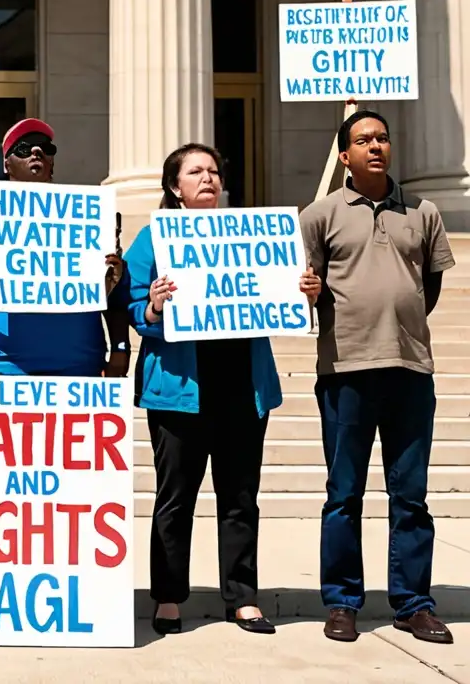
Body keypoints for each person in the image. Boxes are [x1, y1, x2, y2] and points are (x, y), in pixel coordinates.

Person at [125, 143, 321, 636]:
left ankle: (242, 597)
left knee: (239, 497)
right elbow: (132, 311)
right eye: (195, 172)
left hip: (242, 386)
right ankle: (168, 596)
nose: (207, 179)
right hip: (179, 388)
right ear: (175, 187)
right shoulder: (152, 240)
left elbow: (282, 296)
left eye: (214, 170)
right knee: (176, 498)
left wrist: (301, 291)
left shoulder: (253, 238)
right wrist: (153, 307)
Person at [300, 110, 456, 645]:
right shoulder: (319, 215)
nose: (375, 146)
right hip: (345, 370)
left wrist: (398, 322)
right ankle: (342, 602)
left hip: (411, 370)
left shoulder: (424, 211)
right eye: (363, 140)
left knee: (410, 496)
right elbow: (306, 290)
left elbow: (428, 287)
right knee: (344, 494)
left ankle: (413, 603)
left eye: (383, 138)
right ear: (344, 155)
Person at [0, 118, 130, 377]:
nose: (36, 152)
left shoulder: (89, 222)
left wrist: (120, 348)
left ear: (52, 162)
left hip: (78, 370)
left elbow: (117, 301)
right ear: (7, 164)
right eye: (23, 148)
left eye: (45, 148)